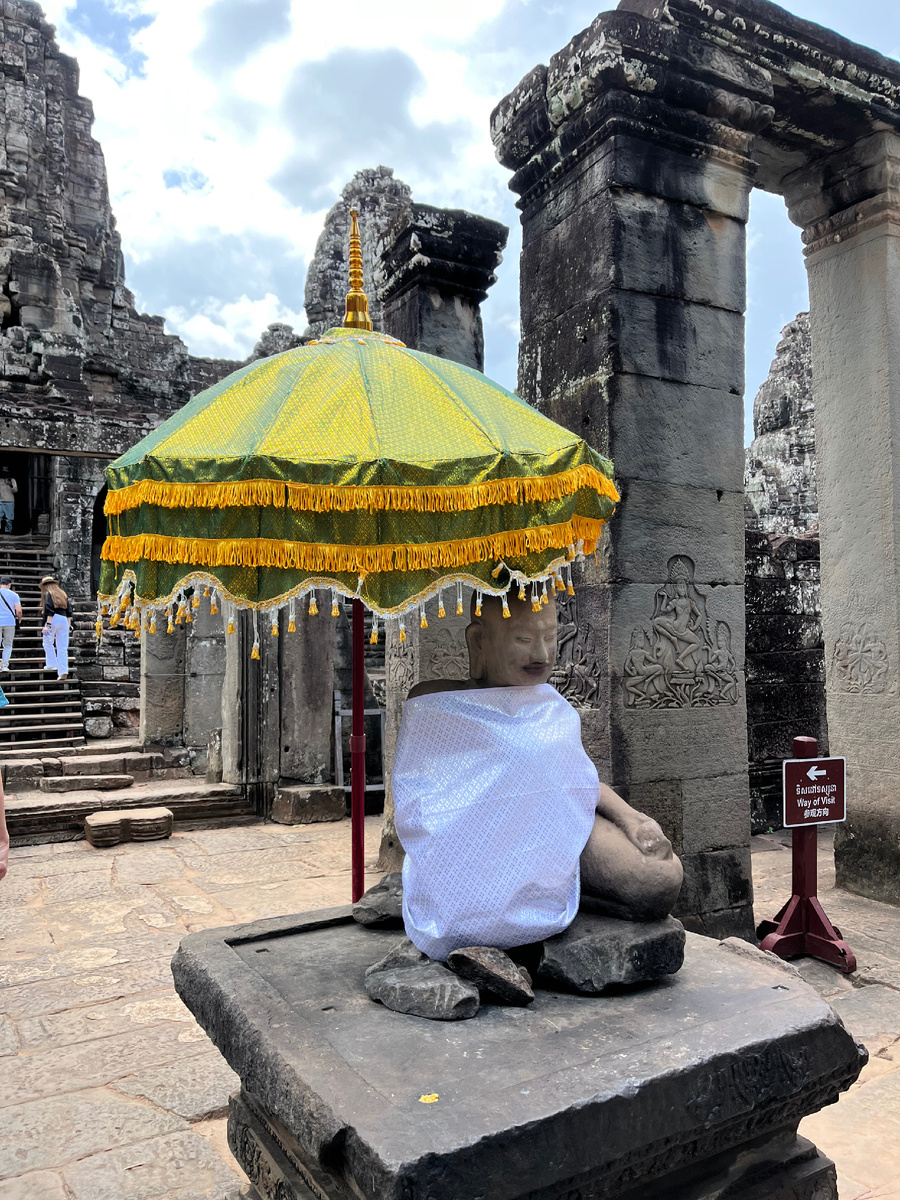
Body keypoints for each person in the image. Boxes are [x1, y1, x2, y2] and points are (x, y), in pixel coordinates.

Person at [386, 588, 682, 993]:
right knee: (469, 903)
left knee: (659, 879)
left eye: (550, 636)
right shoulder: (437, 702)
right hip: (475, 844)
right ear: (479, 642)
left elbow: (575, 779)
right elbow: (421, 798)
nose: (541, 652)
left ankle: (564, 890)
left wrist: (631, 818)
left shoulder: (552, 706)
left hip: (555, 827)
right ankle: (536, 901)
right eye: (524, 639)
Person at [39, 575, 72, 681]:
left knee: (47, 642)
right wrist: (69, 625)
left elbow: (49, 610)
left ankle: (52, 663)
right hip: (64, 620)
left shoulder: (48, 594)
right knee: (62, 648)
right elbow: (69, 611)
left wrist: (47, 626)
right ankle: (63, 671)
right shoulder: (63, 594)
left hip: (53, 619)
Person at [0, 576, 21, 673]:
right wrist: (19, 620)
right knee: (8, 644)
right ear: (9, 585)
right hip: (10, 622)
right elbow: (19, 610)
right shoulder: (14, 595)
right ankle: (4, 665)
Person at [0, 466, 16, 533]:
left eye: (6, 473)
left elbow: (15, 490)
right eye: (3, 472)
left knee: (9, 518)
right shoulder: (0, 480)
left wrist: (11, 485)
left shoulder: (12, 480)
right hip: (1, 500)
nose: (5, 474)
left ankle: (8, 531)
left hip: (10, 500)